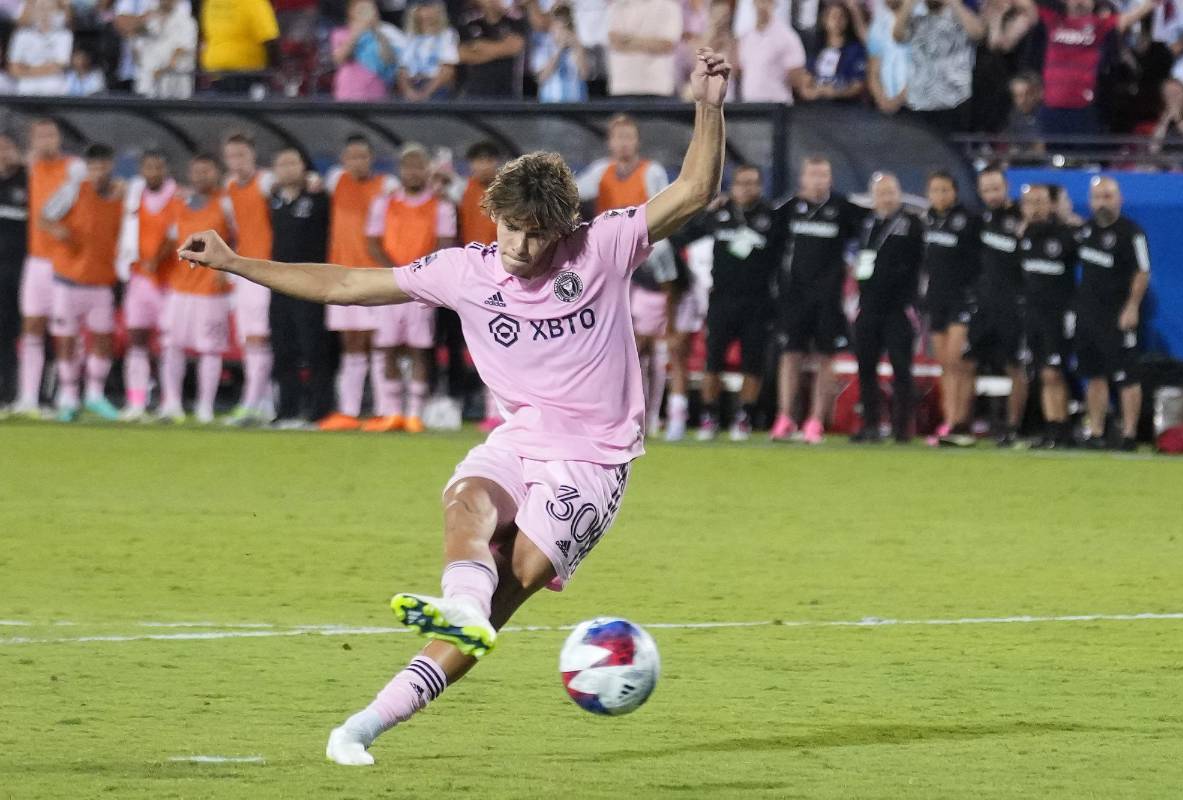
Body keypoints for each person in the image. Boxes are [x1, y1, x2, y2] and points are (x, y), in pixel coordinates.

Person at [176, 47, 730, 768]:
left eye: (539, 234)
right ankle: (413, 660)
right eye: (511, 229)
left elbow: (692, 189)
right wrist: (236, 261)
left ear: (564, 228)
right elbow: (347, 283)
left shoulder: (602, 248)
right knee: (467, 499)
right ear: (492, 217)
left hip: (594, 459)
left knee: (513, 581)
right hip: (520, 436)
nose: (524, 247)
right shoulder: (463, 271)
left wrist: (708, 106)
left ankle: (372, 719)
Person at [576, 115, 685, 440]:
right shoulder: (601, 171)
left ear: (637, 141)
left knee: (652, 347)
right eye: (617, 137)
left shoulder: (650, 171)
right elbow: (571, 191)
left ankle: (659, 418)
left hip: (645, 262)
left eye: (628, 137)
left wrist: (658, 256)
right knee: (615, 346)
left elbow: (661, 207)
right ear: (610, 143)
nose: (623, 143)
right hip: (611, 264)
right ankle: (615, 415)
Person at [676, 164, 779, 441]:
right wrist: (705, 211)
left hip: (758, 302)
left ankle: (743, 416)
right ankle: (710, 416)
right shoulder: (720, 213)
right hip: (721, 300)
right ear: (733, 186)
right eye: (742, 183)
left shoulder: (772, 217)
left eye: (752, 183)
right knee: (713, 361)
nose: (747, 188)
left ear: (760, 186)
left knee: (752, 363)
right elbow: (684, 235)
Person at [769, 155, 864, 444]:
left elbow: (869, 231)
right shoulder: (788, 209)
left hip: (828, 297)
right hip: (795, 295)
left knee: (826, 357)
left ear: (830, 178)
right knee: (791, 356)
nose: (818, 180)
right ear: (803, 178)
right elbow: (771, 241)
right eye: (813, 175)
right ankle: (786, 417)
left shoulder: (843, 209)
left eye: (823, 175)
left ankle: (816, 421)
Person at [363, 142, 456, 433]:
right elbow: (373, 242)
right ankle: (393, 412)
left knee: (419, 349)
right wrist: (398, 272)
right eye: (407, 166)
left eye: (418, 165)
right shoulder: (384, 203)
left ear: (427, 170)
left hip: (422, 287)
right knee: (387, 346)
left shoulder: (441, 206)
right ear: (399, 170)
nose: (413, 172)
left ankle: (414, 413)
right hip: (390, 284)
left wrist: (419, 274)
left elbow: (445, 244)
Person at [319, 135, 399, 432]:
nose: (357, 162)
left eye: (362, 157)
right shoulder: (335, 181)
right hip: (342, 274)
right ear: (344, 160)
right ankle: (349, 410)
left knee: (377, 342)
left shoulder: (386, 186)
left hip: (375, 274)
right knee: (350, 343)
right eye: (351, 157)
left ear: (371, 159)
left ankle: (384, 409)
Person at [40, 143, 124, 422]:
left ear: (111, 165)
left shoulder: (121, 194)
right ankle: (68, 397)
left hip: (101, 281)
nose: (99, 172)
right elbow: (44, 217)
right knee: (66, 339)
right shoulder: (74, 190)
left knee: (102, 339)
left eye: (103, 166)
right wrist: (60, 232)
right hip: (69, 280)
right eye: (94, 167)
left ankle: (95, 395)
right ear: (88, 169)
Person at [12, 118, 84, 418]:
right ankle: (27, 398)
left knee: (66, 332)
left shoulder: (74, 167)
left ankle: (67, 396)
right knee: (32, 327)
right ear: (32, 140)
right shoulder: (32, 166)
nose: (45, 140)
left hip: (66, 261)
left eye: (50, 135)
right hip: (37, 261)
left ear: (59, 137)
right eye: (40, 135)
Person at [158, 154, 236, 424]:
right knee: (171, 346)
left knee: (211, 349)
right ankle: (171, 404)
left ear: (216, 173)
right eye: (197, 171)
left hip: (211, 289)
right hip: (179, 288)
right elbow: (170, 239)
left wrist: (228, 271)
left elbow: (240, 237)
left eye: (207, 171)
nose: (201, 176)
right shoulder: (179, 202)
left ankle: (205, 408)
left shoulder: (226, 202)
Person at [1006, 0, 1160, 136]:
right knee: (1052, 162)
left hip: (1083, 108)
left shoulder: (1100, 25)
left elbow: (1133, 16)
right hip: (1051, 106)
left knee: (1084, 160)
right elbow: (1023, 4)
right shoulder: (1052, 19)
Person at [1075, 177, 1150, 451]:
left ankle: (1129, 434)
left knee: (1126, 375)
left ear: (1120, 199)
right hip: (1088, 315)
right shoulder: (1084, 231)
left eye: (1108, 196)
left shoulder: (1132, 233)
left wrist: (1132, 306)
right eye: (1097, 197)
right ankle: (1096, 431)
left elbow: (1142, 271)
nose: (1102, 202)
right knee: (1094, 375)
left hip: (1118, 315)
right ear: (1090, 201)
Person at [850, 172, 924, 444]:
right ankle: (870, 424)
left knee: (901, 368)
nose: (887, 197)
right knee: (865, 367)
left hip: (898, 308)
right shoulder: (867, 223)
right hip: (868, 306)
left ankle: (902, 427)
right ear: (873, 196)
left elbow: (919, 262)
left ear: (899, 193)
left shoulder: (912, 223)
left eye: (891, 192)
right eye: (881, 192)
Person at [268, 148, 334, 426]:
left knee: (314, 347)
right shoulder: (273, 201)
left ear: (304, 167)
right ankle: (286, 411)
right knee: (283, 347)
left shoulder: (319, 198)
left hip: (311, 282)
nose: (287, 168)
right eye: (281, 163)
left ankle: (319, 411)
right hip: (279, 283)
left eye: (292, 162)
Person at [965, 164, 1028, 447]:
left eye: (996, 188)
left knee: (1014, 365)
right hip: (983, 304)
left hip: (1014, 305)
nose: (992, 194)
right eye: (987, 189)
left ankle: (1012, 426)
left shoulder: (1022, 218)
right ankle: (967, 423)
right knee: (971, 362)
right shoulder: (978, 220)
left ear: (1006, 188)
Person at [117, 149, 180, 420]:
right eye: (148, 167)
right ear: (141, 170)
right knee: (136, 341)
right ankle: (136, 402)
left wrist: (157, 258)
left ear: (166, 170)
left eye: (158, 167)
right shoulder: (133, 196)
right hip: (139, 280)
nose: (153, 172)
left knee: (169, 345)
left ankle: (171, 402)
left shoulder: (177, 199)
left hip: (168, 283)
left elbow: (174, 234)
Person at [921, 170, 982, 446]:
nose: (940, 195)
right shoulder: (929, 220)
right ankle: (948, 422)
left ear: (955, 192)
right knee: (945, 363)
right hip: (937, 299)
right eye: (935, 190)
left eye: (945, 190)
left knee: (959, 361)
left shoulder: (968, 220)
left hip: (962, 299)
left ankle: (961, 422)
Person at [1017, 183, 1078, 448]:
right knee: (1041, 372)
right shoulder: (1025, 235)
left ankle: (1063, 426)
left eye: (1040, 201)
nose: (1035, 207)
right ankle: (1051, 427)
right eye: (1030, 202)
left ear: (1050, 204)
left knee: (1055, 372)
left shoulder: (1065, 235)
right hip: (1032, 314)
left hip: (1057, 314)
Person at [448, 139, 502, 430]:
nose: (484, 166)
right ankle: (487, 408)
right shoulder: (463, 191)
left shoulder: (508, 193)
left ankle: (500, 411)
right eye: (478, 161)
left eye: (489, 160)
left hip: (505, 276)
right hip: (473, 277)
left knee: (503, 344)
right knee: (481, 346)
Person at [222, 133, 275, 425]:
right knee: (248, 341)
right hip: (243, 273)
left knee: (259, 339)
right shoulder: (229, 188)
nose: (236, 161)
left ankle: (251, 402)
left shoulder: (266, 183)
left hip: (266, 271)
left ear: (253, 156)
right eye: (231, 156)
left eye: (241, 155)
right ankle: (263, 402)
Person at [892, 0, 984, 134]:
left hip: (954, 101)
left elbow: (978, 33)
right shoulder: (917, 20)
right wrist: (908, 4)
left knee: (952, 153)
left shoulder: (959, 17)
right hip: (920, 102)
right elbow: (897, 35)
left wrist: (954, 3)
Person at [0, 131, 27, 409]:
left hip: (22, 272)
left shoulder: (28, 180)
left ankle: (20, 393)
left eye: (7, 148)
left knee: (21, 333)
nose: (3, 153)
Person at [607, 0, 683, 98]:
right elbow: (614, 42)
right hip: (622, 85)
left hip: (656, 85)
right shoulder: (618, 6)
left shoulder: (669, 7)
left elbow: (666, 45)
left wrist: (627, 41)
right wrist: (651, 42)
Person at [200, 0, 280, 94]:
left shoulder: (211, 2)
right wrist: (277, 69)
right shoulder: (253, 2)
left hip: (214, 73)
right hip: (246, 74)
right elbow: (269, 39)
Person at [331, 0, 403, 101]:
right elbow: (339, 59)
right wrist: (357, 33)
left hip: (377, 91)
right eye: (361, 9)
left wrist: (379, 33)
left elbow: (394, 62)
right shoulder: (341, 33)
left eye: (370, 9)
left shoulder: (387, 33)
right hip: (348, 93)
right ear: (351, 12)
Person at [737, 0, 806, 104]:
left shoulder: (787, 36)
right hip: (750, 106)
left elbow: (797, 78)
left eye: (767, 2)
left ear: (774, 4)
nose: (762, 6)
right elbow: (742, 71)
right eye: (759, 1)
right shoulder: (746, 37)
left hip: (776, 106)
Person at [457, 0, 528, 99]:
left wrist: (479, 49)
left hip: (507, 94)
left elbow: (515, 47)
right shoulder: (469, 22)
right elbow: (462, 54)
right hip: (475, 94)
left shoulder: (515, 21)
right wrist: (502, 48)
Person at [798, 1, 866, 103]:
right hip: (816, 108)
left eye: (842, 17)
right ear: (824, 20)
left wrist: (835, 93)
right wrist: (810, 91)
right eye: (833, 16)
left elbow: (858, 86)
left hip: (846, 109)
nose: (837, 21)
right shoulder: (815, 48)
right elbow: (806, 80)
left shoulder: (856, 50)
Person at [132, 0, 198, 99]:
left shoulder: (186, 21)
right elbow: (137, 49)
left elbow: (182, 49)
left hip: (174, 84)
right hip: (148, 84)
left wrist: (162, 70)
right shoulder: (148, 21)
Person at [396, 0, 459, 102]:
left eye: (429, 8)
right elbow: (402, 69)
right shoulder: (408, 36)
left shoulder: (447, 34)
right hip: (412, 84)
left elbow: (447, 71)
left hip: (436, 86)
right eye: (420, 9)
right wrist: (408, 91)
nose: (425, 13)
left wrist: (425, 93)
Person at [7, 0, 71, 96]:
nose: (44, 13)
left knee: (53, 86)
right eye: (40, 8)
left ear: (57, 12)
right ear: (33, 11)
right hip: (25, 85)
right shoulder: (21, 35)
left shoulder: (64, 35)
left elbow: (58, 67)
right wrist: (38, 71)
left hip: (53, 85)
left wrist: (27, 69)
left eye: (49, 9)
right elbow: (13, 68)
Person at [531, 4, 589, 102]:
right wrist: (558, 50)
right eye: (558, 25)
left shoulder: (577, 45)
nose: (562, 30)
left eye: (565, 25)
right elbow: (541, 78)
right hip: (550, 103)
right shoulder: (543, 46)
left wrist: (577, 47)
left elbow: (584, 74)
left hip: (576, 103)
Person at [867, 0, 909, 115]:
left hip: (916, 110)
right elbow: (873, 72)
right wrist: (881, 99)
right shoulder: (878, 24)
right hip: (885, 108)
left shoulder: (922, 21)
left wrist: (898, 101)